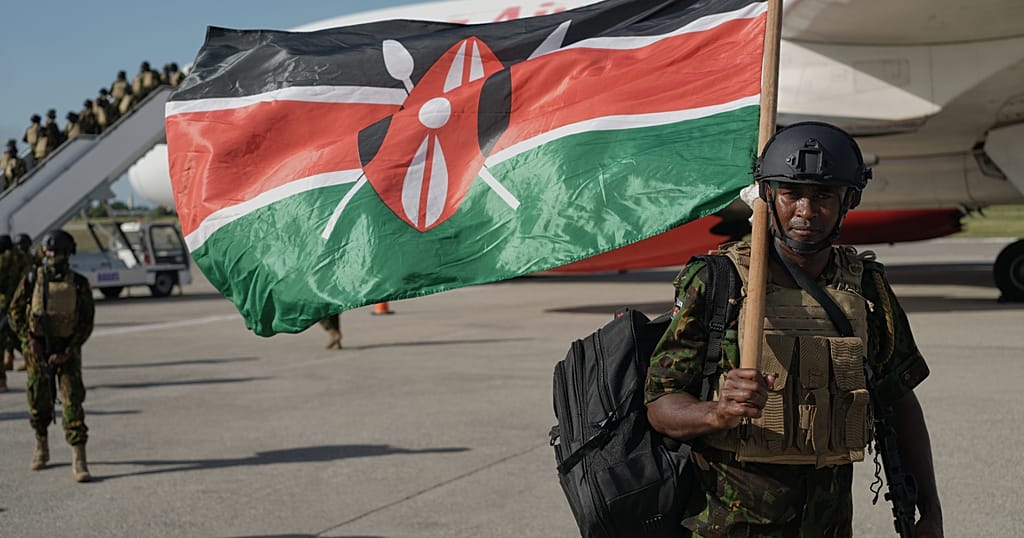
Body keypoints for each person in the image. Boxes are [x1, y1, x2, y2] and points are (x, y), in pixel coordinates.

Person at [644, 122, 943, 537]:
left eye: (823, 196)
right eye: (791, 194)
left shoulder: (866, 287)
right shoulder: (718, 281)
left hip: (827, 526)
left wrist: (930, 512)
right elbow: (660, 401)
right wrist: (717, 412)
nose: (806, 211)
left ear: (849, 200)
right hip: (729, 526)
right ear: (769, 196)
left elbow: (899, 399)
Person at [8, 229, 95, 482]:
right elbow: (15, 312)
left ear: (68, 254)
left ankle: (79, 458)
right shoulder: (32, 278)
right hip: (37, 352)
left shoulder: (78, 283)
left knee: (72, 403)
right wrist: (29, 342)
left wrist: (68, 350)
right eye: (50, 251)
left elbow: (86, 322)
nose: (54, 256)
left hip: (67, 353)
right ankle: (41, 447)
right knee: (38, 402)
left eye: (59, 252)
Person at [0, 235, 16, 391]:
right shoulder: (24, 257)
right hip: (19, 304)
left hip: (4, 304)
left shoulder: (3, 261)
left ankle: (1, 379)